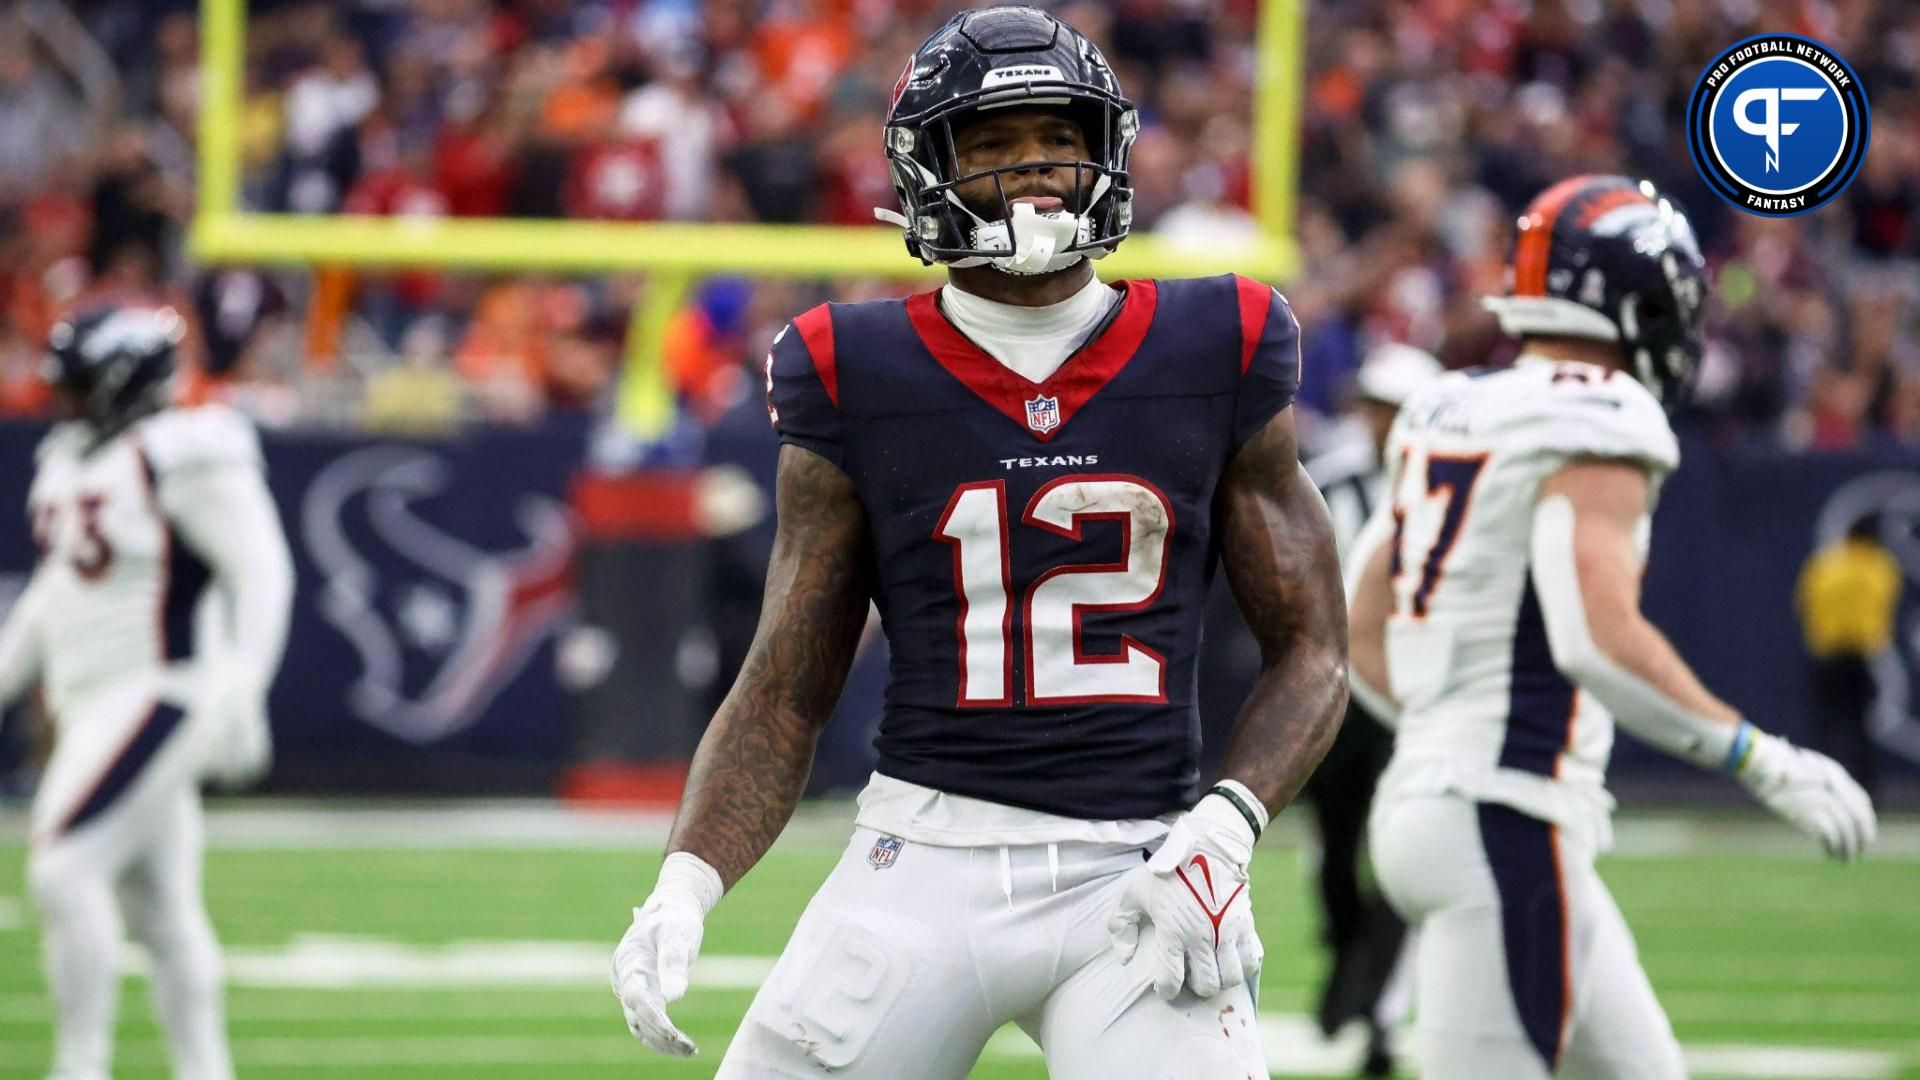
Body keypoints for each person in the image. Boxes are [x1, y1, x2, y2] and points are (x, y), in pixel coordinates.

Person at [610, 8, 1350, 1077]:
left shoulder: (1218, 343)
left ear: (1106, 153)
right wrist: (685, 884)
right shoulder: (850, 367)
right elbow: (785, 684)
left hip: (1142, 868)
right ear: (926, 170)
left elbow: (1315, 643)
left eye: (1057, 138)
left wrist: (1227, 827)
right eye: (992, 145)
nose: (1034, 170)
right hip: (925, 857)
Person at [1346, 174, 1878, 1080]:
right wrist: (1763, 759)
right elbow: (1594, 635)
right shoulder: (1598, 407)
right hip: (1504, 817)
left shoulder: (1448, 402)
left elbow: (1359, 621)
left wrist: (1441, 738)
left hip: (1439, 804)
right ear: (1635, 302)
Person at [0, 305, 294, 1080]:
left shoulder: (183, 452)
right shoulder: (70, 460)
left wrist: (246, 684)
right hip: (94, 698)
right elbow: (51, 596)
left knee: (63, 869)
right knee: (161, 912)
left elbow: (260, 568)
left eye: (79, 385)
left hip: (162, 692)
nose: (64, 401)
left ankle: (80, 1066)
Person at [1301, 342, 1440, 1075]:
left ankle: (1380, 1013)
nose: (1376, 420)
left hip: (1414, 696)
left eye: (1390, 407)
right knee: (1332, 849)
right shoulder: (1332, 479)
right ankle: (1348, 950)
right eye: (1373, 405)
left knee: (1401, 854)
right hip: (1337, 692)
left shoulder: (1453, 487)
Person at [1795, 514, 1902, 797]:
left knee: (1826, 729)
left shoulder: (1825, 564)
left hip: (1825, 656)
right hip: (1859, 657)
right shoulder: (1879, 565)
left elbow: (1805, 603)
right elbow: (1883, 608)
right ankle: (1866, 794)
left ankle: (1821, 791)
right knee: (1860, 731)